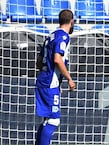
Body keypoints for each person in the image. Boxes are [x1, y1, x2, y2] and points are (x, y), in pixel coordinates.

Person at [35, 9, 76, 145]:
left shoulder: (50, 36)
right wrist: (69, 79)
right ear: (72, 22)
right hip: (49, 83)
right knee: (53, 120)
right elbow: (57, 59)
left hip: (44, 80)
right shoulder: (63, 37)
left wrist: (56, 82)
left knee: (47, 120)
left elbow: (39, 61)